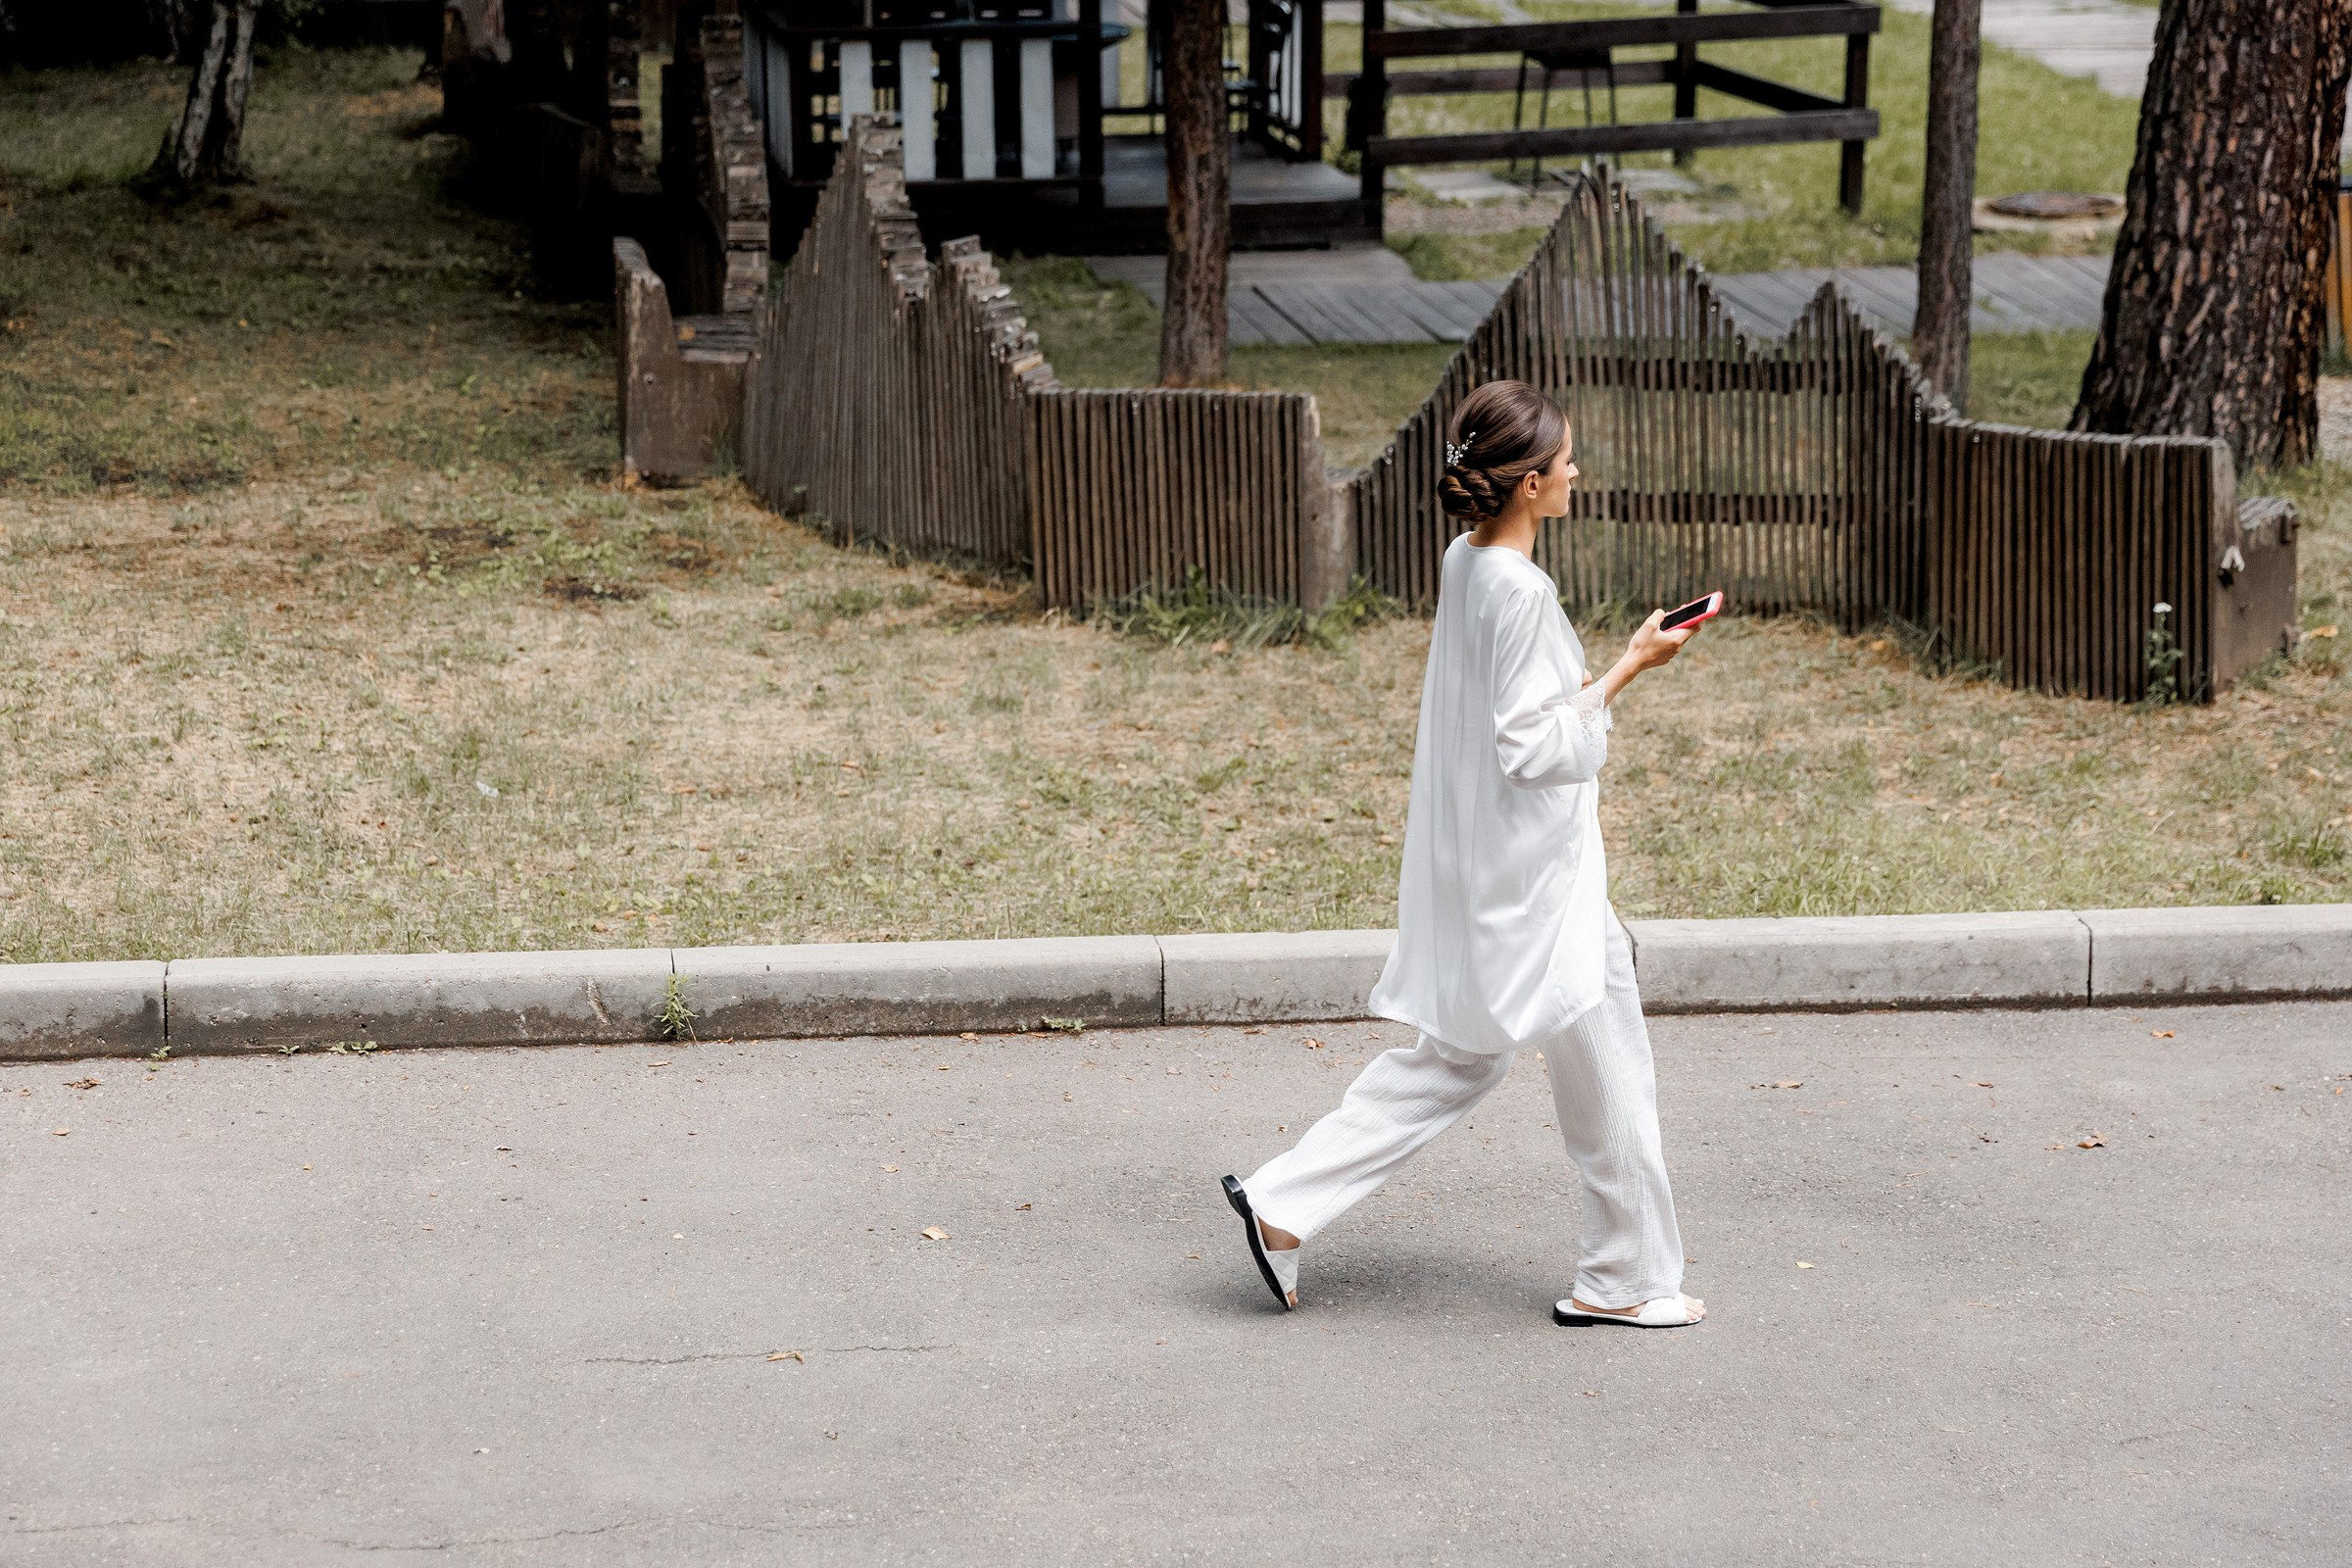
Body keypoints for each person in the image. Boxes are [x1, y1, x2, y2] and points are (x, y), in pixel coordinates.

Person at [1221, 379, 1708, 1328]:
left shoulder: (1466, 558)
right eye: (1563, 460)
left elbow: (1500, 705)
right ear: (1528, 484)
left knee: (1464, 1058)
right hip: (1542, 881)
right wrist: (1630, 668)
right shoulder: (1521, 590)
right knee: (1609, 1061)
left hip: (1494, 870)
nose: (1575, 470)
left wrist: (1586, 675)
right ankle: (1626, 1280)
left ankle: (1282, 1203)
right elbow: (1531, 748)